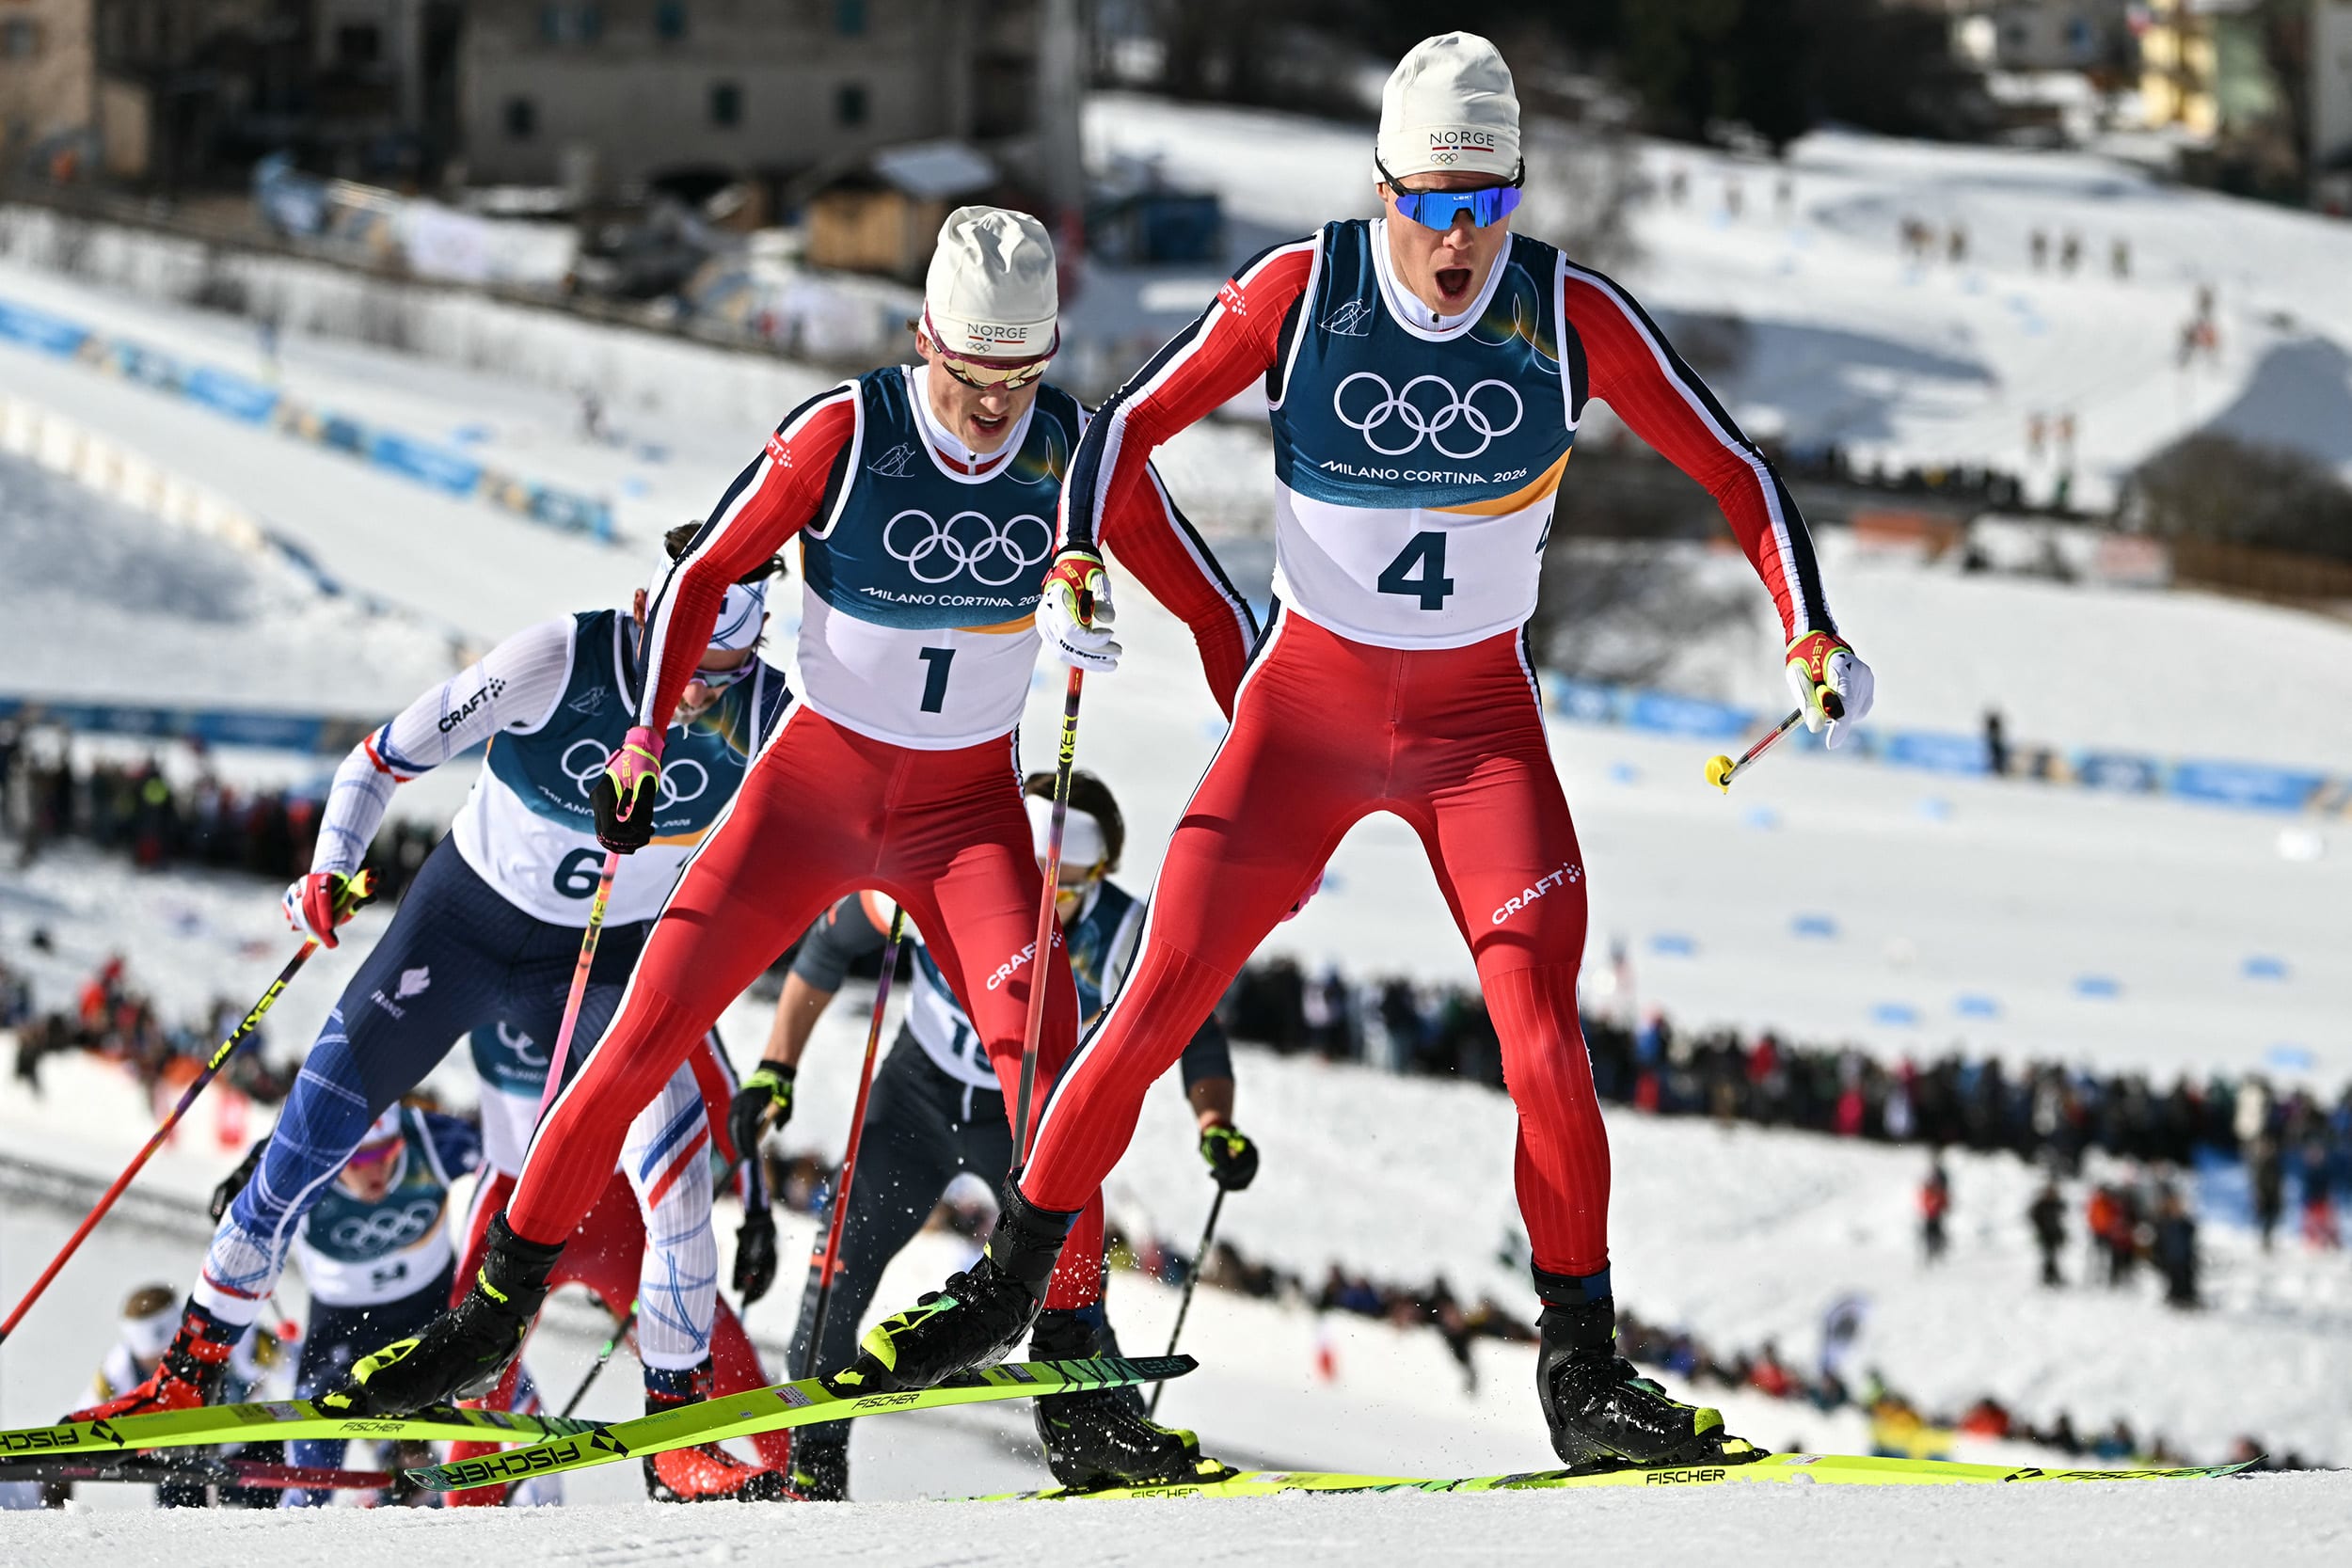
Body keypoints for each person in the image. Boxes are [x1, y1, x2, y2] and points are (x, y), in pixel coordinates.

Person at [844, 33, 1874, 1477]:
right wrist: (1075, 553)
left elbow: (1737, 470)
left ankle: (1583, 1370)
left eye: (1487, 205)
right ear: (1384, 186)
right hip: (1304, 722)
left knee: (1541, 1037)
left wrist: (1806, 629)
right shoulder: (1303, 288)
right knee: (1147, 1005)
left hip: (1475, 736)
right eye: (1433, 203)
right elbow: (1122, 423)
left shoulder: (1564, 311)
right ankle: (1014, 1277)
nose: (1459, 241)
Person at [328, 203, 1258, 1497]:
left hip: (966, 813)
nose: (993, 409)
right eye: (969, 376)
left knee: (1052, 1068)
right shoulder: (847, 431)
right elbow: (705, 570)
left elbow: (1219, 607)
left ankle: (1077, 1377)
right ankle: (484, 1320)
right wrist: (649, 733)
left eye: (1020, 378)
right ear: (925, 339)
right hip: (812, 788)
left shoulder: (1074, 455)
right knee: (639, 1035)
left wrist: (1241, 724)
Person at [66, 528, 792, 1428]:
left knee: (678, 1181)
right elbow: (378, 758)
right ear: (652, 611)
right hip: (458, 932)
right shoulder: (560, 658)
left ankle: (678, 1419)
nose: (695, 697)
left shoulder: (769, 714)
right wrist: (331, 868)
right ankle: (188, 1370)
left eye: (720, 670)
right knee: (298, 1147)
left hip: (601, 960)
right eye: (684, 662)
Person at [734, 769, 1258, 1497]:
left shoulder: (1124, 927)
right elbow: (823, 953)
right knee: (835, 1277)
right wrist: (775, 1068)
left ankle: (1109, 1432)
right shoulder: (950, 882)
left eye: (1070, 886)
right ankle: (817, 1468)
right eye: (1040, 875)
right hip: (916, 1096)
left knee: (1068, 1285)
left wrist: (1215, 1122)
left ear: (1100, 874)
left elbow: (1197, 1032)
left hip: (1027, 1118)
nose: (1049, 899)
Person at [438, 1021, 792, 1503]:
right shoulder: (484, 947)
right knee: (477, 1411)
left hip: (617, 1220)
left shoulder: (630, 949)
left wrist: (756, 1212)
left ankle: (794, 1500)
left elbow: (719, 1085)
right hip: (512, 1209)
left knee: (736, 1376)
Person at [275, 1103, 479, 1507]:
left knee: (495, 1384)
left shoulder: (429, 1139)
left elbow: (517, 1154)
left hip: (430, 1309)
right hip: (340, 1322)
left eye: (389, 1152)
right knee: (310, 1478)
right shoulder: (297, 1160)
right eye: (364, 1158)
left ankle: (448, 1488)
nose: (379, 1169)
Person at [2027, 1178, 2066, 1287]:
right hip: (2045, 1235)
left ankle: (2052, 1276)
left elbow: (2062, 1215)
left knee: (2053, 1256)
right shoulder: (2041, 1205)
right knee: (2048, 1256)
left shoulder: (2056, 1204)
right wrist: (2040, 1228)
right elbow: (2033, 1217)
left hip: (2054, 1235)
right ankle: (2049, 1277)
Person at [1919, 1157, 1950, 1265]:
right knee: (1928, 1235)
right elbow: (1924, 1201)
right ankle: (1930, 1252)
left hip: (1937, 1215)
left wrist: (1943, 1207)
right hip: (1930, 1215)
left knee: (1938, 1234)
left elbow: (1944, 1201)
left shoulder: (1939, 1191)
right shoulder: (1928, 1191)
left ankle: (1939, 1251)